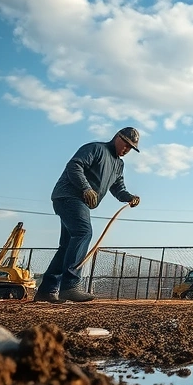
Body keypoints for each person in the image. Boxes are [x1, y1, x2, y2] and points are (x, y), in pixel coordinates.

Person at [34, 127, 141, 303]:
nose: (127, 149)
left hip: (78, 202)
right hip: (69, 196)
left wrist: (129, 197)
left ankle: (46, 290)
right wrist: (86, 188)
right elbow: (74, 166)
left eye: (131, 148)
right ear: (117, 137)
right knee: (83, 232)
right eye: (126, 144)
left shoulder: (118, 165)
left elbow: (118, 188)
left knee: (67, 246)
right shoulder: (96, 149)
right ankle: (70, 286)